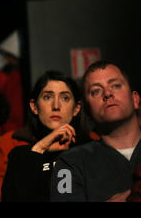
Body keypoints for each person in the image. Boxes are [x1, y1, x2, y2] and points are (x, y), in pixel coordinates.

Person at [51, 60, 140, 201]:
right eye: (96, 91)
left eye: (116, 85)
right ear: (87, 109)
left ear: (135, 99)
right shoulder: (69, 164)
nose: (108, 93)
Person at [1, 71, 94, 202]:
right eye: (47, 97)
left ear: (76, 109)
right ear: (34, 107)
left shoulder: (91, 151)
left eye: (65, 98)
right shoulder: (19, 155)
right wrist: (41, 146)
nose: (56, 106)